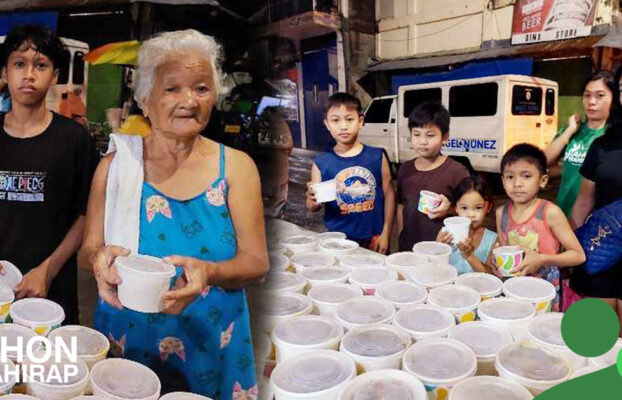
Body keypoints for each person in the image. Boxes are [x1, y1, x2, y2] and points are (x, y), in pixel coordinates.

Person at [78, 30, 268, 397]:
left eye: (201, 88)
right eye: (172, 89)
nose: (189, 101)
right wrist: (98, 259)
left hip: (212, 342)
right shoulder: (117, 167)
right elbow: (89, 250)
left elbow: (256, 262)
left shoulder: (236, 169)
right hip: (130, 338)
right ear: (145, 99)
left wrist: (210, 272)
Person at [0, 25, 97, 324]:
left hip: (52, 290)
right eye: (19, 64)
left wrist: (48, 269)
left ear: (54, 76)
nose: (28, 73)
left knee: (49, 366)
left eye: (40, 65)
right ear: (4, 73)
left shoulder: (74, 139)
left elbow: (87, 214)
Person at [497, 144, 585, 312]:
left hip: (544, 295)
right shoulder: (501, 213)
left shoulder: (550, 212)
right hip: (513, 291)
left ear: (543, 180)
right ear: (502, 181)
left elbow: (578, 255)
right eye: (510, 177)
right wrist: (494, 261)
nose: (517, 183)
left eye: (526, 176)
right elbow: (502, 248)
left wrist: (542, 259)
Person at [306, 92, 395, 254]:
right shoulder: (321, 163)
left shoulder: (377, 156)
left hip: (373, 240)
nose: (343, 126)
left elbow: (389, 194)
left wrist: (386, 233)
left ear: (360, 121)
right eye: (335, 120)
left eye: (349, 119)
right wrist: (312, 201)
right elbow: (314, 206)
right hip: (337, 241)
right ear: (327, 124)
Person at [568, 65, 622, 326]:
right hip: (603, 249)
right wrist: (574, 247)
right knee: (601, 337)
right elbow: (583, 201)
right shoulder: (603, 145)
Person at [397, 102, 470, 252]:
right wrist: (401, 233)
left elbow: (469, 212)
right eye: (416, 134)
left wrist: (448, 210)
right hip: (408, 248)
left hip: (441, 251)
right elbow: (401, 205)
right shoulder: (405, 169)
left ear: (445, 137)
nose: (422, 141)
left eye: (430, 135)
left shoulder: (457, 172)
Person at [545, 70, 614, 217]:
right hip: (562, 214)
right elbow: (542, 163)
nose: (591, 102)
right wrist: (569, 131)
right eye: (587, 95)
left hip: (595, 219)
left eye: (600, 96)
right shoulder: (573, 131)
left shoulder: (613, 137)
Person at [436, 176, 497, 275]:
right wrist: (439, 247)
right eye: (464, 208)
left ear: (488, 207)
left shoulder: (492, 239)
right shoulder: (445, 234)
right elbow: (434, 268)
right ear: (456, 208)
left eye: (478, 208)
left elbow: (491, 275)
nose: (470, 215)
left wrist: (469, 256)